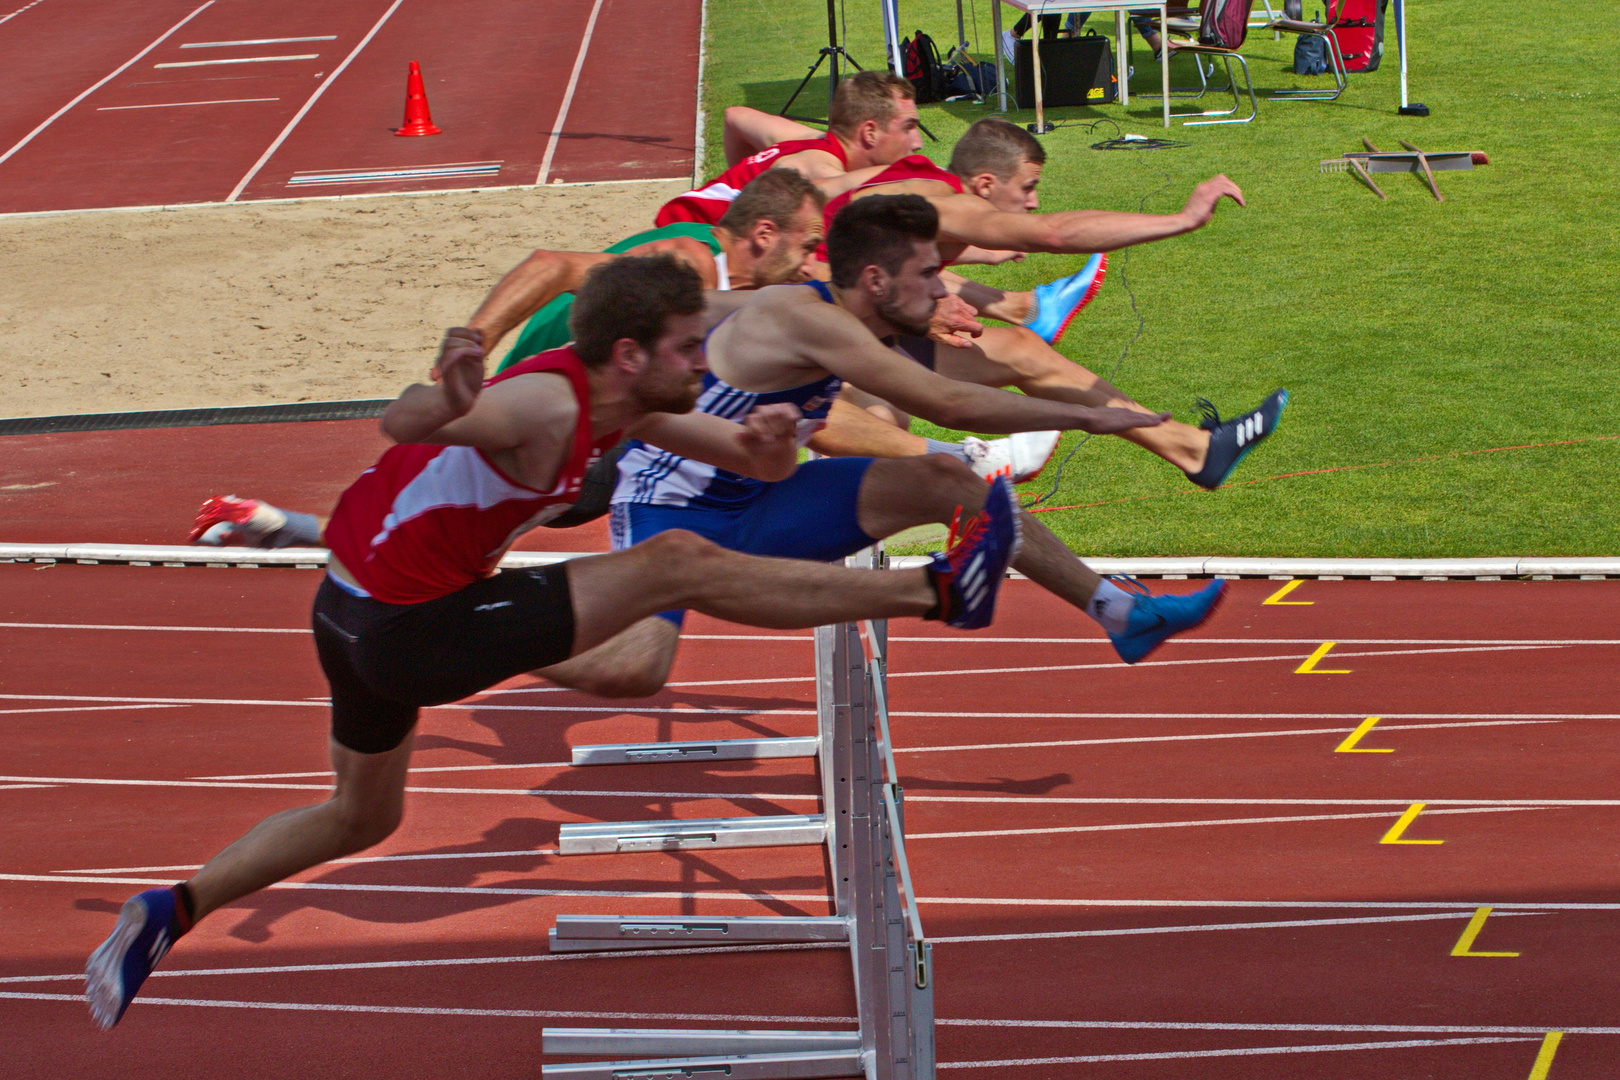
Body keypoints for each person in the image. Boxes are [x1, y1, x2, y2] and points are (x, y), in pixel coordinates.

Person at [84, 254, 1023, 1031]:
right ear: (629, 352)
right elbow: (421, 419)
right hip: (406, 629)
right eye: (692, 348)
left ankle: (172, 909)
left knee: (361, 817)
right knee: (675, 562)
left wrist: (776, 439)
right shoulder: (542, 408)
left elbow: (751, 461)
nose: (711, 363)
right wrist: (450, 386)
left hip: (350, 608)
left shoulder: (638, 410)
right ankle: (939, 591)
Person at [542, 194, 1227, 699]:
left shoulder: (848, 314)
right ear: (875, 282)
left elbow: (978, 370)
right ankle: (483, 638)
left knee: (949, 480)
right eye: (929, 276)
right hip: (673, 505)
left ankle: (1121, 613)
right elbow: (949, 404)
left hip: (763, 491)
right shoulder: (811, 321)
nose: (942, 288)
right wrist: (1090, 419)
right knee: (639, 665)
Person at [818, 117, 1287, 490]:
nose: (1034, 200)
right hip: (815, 324)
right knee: (887, 426)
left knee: (1025, 351)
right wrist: (1180, 219)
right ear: (984, 184)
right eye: (1027, 187)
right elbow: (1054, 233)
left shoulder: (913, 185)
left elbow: (835, 203)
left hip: (851, 312)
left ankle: (1194, 449)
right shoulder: (949, 204)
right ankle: (962, 471)